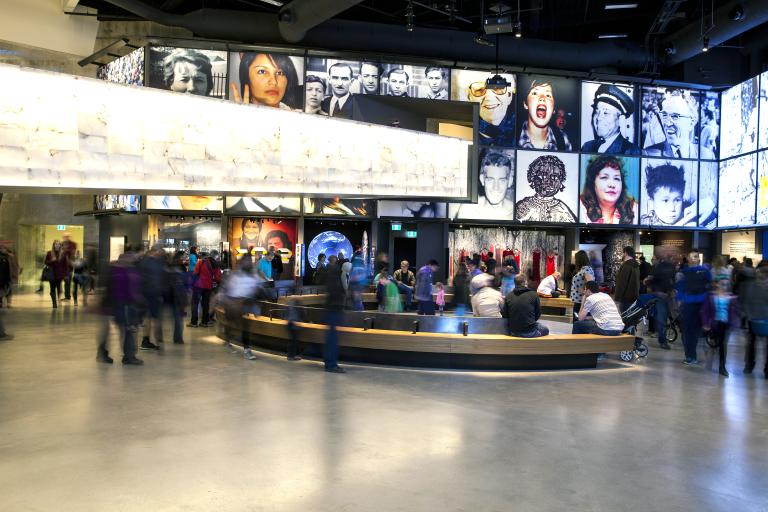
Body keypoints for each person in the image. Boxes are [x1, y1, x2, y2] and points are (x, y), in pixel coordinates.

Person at [102, 248, 143, 365]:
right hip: (124, 305)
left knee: (127, 331)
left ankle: (128, 355)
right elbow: (129, 289)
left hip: (124, 305)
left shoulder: (118, 270)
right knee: (128, 331)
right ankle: (129, 356)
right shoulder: (123, 272)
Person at [644, 92, 712, 159]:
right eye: (664, 115)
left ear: (691, 122)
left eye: (675, 116)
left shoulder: (707, 155)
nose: (667, 123)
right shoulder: (649, 155)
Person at [222, 256, 264, 360]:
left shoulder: (253, 275)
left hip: (246, 304)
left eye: (250, 261)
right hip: (234, 303)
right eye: (246, 261)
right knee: (231, 324)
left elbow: (256, 288)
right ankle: (228, 339)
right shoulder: (235, 275)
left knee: (245, 326)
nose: (249, 263)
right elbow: (228, 289)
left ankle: (246, 349)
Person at [452, 150, 515, 219]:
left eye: (502, 180)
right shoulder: (468, 211)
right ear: (482, 179)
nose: (496, 187)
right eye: (490, 180)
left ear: (510, 181)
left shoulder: (517, 213)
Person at [515, 155, 577, 223]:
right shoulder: (524, 205)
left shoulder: (562, 209)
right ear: (532, 178)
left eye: (554, 176)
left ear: (561, 181)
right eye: (543, 175)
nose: (549, 181)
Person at [581, 84, 640, 155]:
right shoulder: (587, 147)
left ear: (621, 120)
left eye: (606, 113)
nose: (599, 118)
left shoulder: (631, 151)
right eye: (597, 112)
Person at [579, 155, 638, 224]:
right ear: (592, 182)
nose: (612, 185)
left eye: (616, 178)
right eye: (604, 177)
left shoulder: (633, 208)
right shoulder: (580, 207)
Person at [676, 250, 711, 365]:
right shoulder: (683, 272)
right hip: (688, 305)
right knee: (687, 332)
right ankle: (689, 355)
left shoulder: (705, 272)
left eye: (695, 257)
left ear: (699, 259)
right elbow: (679, 289)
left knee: (694, 332)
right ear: (688, 259)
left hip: (700, 305)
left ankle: (692, 356)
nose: (693, 259)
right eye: (691, 257)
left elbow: (710, 287)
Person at [230, 52, 299, 110]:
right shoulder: (237, 119)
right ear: (246, 77)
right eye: (262, 71)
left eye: (280, 73)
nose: (274, 82)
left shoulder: (299, 118)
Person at [701, 278, 740, 377]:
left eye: (727, 284)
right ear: (717, 284)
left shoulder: (731, 297)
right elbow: (705, 311)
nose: (724, 286)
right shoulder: (711, 296)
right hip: (714, 324)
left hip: (725, 324)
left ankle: (722, 367)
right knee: (713, 344)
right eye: (722, 284)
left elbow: (735, 312)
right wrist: (706, 323)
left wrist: (734, 323)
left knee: (723, 345)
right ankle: (711, 361)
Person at [518, 80, 572, 151]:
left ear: (553, 109)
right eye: (535, 93)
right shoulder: (509, 137)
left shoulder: (563, 140)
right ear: (525, 104)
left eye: (548, 95)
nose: (542, 98)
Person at [466, 74, 516, 146]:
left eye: (498, 88)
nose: (489, 97)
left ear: (509, 96)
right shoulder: (462, 131)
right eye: (479, 90)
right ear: (470, 98)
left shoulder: (522, 129)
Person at [137, 245, 166, 351]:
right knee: (152, 317)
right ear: (156, 251)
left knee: (148, 317)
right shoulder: (152, 262)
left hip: (146, 293)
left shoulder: (144, 260)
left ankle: (146, 340)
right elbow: (155, 279)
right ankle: (152, 340)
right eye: (160, 252)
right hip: (151, 293)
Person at [743, 264, 768, 376]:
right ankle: (749, 365)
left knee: (754, 344)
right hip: (753, 319)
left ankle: (765, 369)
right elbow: (746, 301)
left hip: (763, 318)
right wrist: (749, 315)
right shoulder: (751, 286)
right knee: (751, 343)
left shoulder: (753, 285)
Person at [648, 253, 676, 350]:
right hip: (660, 297)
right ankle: (662, 340)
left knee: (666, 318)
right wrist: (658, 292)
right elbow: (653, 282)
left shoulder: (671, 267)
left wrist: (672, 290)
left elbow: (672, 280)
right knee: (661, 319)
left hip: (668, 296)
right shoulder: (658, 267)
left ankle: (663, 337)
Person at [323, 259, 346, 373]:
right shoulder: (336, 280)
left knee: (331, 339)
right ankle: (331, 364)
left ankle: (330, 363)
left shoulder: (331, 279)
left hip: (331, 310)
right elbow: (337, 295)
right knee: (332, 340)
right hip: (334, 311)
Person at [190, 250, 222, 328]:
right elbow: (218, 278)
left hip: (198, 285)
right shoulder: (217, 265)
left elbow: (195, 273)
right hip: (208, 286)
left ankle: (194, 322)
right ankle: (204, 322)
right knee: (206, 304)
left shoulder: (201, 261)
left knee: (195, 304)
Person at [167, 250, 188, 345]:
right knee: (179, 319)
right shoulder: (180, 270)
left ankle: (176, 337)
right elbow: (185, 284)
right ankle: (178, 338)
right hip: (178, 297)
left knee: (176, 318)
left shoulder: (169, 268)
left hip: (172, 296)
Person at [44, 241, 69, 308]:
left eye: (58, 244)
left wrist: (66, 275)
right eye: (56, 244)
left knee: (58, 288)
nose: (57, 245)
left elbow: (65, 265)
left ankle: (58, 298)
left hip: (59, 274)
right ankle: (54, 303)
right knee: (52, 289)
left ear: (60, 246)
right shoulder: (49, 253)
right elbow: (46, 262)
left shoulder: (63, 254)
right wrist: (52, 260)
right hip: (52, 274)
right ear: (54, 245)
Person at [614, 246, 640, 313]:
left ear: (625, 253)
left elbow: (621, 283)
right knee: (632, 316)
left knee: (625, 318)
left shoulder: (626, 265)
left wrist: (617, 298)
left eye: (623, 253)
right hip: (634, 296)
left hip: (625, 298)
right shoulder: (636, 265)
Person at [570, 250, 595, 317]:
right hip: (579, 301)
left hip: (582, 302)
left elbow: (591, 284)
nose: (575, 261)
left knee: (579, 322)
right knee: (577, 321)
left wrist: (584, 291)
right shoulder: (583, 269)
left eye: (575, 259)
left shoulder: (586, 269)